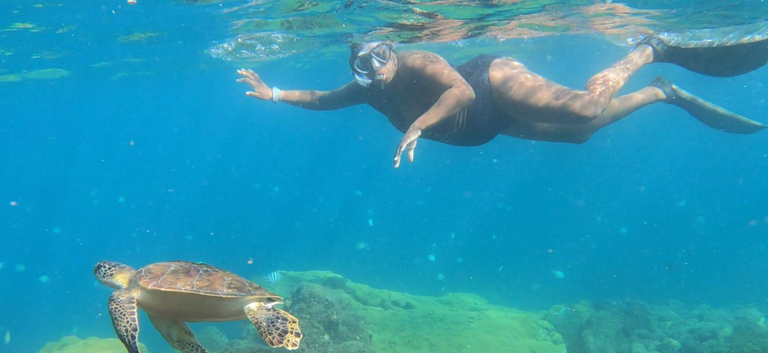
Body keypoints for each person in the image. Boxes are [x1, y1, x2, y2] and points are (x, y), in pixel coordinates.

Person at [237, 28, 768, 168]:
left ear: (393, 49)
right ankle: (662, 94)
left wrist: (417, 126)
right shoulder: (366, 90)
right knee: (582, 132)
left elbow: (462, 89)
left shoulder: (420, 61)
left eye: (379, 56)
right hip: (487, 126)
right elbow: (323, 98)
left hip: (492, 83)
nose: (373, 70)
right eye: (362, 64)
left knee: (583, 108)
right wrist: (276, 92)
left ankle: (647, 53)